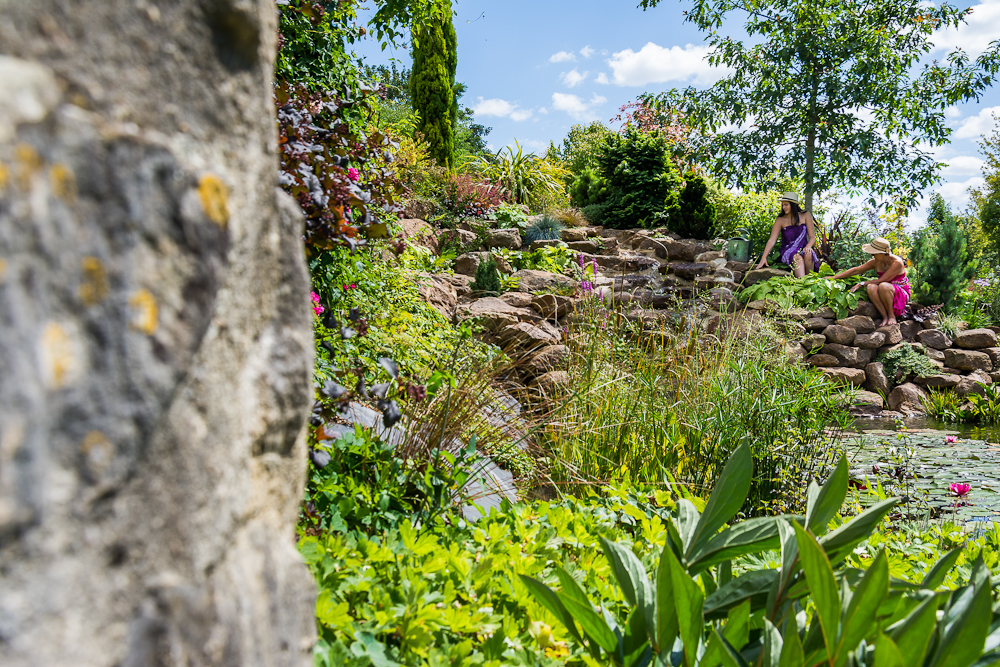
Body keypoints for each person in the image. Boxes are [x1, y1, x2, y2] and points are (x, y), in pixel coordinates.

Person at [826, 237, 910, 326]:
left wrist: (861, 284)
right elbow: (856, 270)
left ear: (882, 253)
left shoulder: (897, 262)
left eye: (874, 253)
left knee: (883, 285)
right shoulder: (876, 261)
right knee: (871, 287)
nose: (872, 256)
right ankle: (884, 317)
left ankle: (891, 316)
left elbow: (883, 280)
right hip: (883, 289)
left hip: (900, 292)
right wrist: (834, 277)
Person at [753, 192, 819, 277]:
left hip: (803, 247)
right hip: (788, 250)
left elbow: (812, 237)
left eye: (786, 205)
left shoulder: (805, 215)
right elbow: (772, 240)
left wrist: (808, 246)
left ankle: (809, 280)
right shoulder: (780, 220)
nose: (783, 207)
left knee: (808, 253)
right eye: (782, 205)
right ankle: (802, 283)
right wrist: (764, 257)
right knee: (798, 258)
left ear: (793, 205)